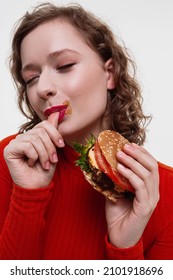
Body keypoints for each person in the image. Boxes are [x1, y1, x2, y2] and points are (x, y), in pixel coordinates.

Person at [0, 2, 173, 260]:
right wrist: (28, 195)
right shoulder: (9, 161)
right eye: (31, 78)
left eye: (64, 65)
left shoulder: (165, 191)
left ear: (110, 73)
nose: (42, 88)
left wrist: (125, 246)